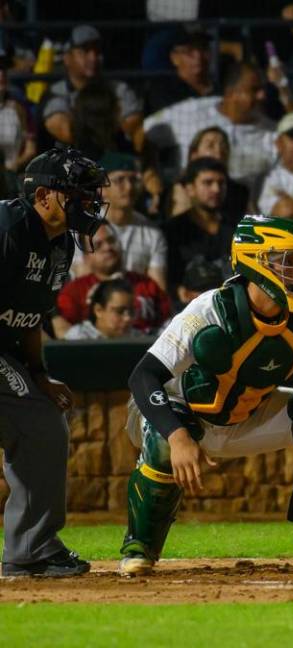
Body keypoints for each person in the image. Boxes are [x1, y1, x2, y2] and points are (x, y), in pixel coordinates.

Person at [116, 215, 293, 577]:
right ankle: (139, 545)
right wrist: (177, 437)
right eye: (289, 261)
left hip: (250, 414)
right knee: (163, 441)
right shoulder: (210, 309)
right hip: (185, 416)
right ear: (255, 262)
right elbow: (144, 376)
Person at [0, 148, 107, 577]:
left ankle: (31, 548)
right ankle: (31, 548)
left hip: (6, 349)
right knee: (37, 421)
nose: (88, 204)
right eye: (77, 195)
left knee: (44, 421)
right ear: (43, 195)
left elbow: (32, 317)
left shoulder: (61, 244)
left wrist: (39, 374)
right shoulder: (6, 229)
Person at [142, 60, 277, 195]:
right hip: (189, 201)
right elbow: (143, 133)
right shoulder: (190, 111)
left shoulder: (273, 133)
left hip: (245, 210)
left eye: (263, 89)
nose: (262, 96)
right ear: (231, 93)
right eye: (254, 90)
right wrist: (150, 172)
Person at [68, 153, 168, 289]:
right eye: (119, 180)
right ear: (102, 188)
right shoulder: (82, 228)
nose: (129, 187)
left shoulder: (153, 234)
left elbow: (158, 290)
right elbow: (84, 281)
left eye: (133, 180)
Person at [54, 224, 169, 337]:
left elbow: (168, 322)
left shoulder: (147, 284)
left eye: (111, 241)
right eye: (98, 245)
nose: (107, 247)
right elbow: (64, 333)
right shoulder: (74, 292)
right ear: (86, 257)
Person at [41, 26, 144, 151]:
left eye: (97, 51)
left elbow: (133, 125)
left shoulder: (119, 88)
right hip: (69, 163)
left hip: (115, 159)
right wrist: (107, 122)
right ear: (67, 58)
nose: (93, 58)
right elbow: (63, 130)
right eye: (84, 51)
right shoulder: (55, 92)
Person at [162, 158, 243, 289]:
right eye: (208, 183)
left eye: (221, 183)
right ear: (190, 189)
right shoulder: (171, 231)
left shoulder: (240, 229)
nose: (216, 189)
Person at [144, 26, 216, 115]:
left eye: (203, 49)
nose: (198, 56)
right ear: (174, 58)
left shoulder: (221, 87)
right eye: (189, 51)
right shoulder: (163, 89)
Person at [62, 278, 140, 340]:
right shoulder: (77, 338)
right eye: (119, 311)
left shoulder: (139, 338)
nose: (128, 318)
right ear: (98, 310)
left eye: (131, 311)